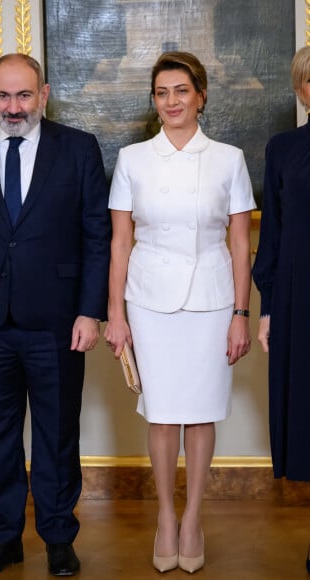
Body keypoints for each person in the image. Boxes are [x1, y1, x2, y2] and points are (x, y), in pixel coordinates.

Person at [0, 53, 111, 577]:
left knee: (57, 435)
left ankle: (59, 538)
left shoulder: (79, 149)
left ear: (43, 95)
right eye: (3, 96)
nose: (13, 107)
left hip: (58, 321)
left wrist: (90, 312)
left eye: (23, 96)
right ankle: (3, 540)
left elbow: (97, 238)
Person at [104, 51, 255, 574]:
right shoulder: (132, 159)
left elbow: (240, 242)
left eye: (182, 91)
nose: (172, 101)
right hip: (148, 301)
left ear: (201, 95)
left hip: (213, 300)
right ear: (154, 100)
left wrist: (241, 311)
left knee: (202, 409)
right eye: (162, 92)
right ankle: (166, 517)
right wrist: (115, 314)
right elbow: (120, 244)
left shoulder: (229, 158)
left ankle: (194, 517)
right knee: (163, 412)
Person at [253, 45, 310, 575]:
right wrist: (267, 307)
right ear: (300, 87)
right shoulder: (283, 150)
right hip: (299, 303)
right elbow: (269, 236)